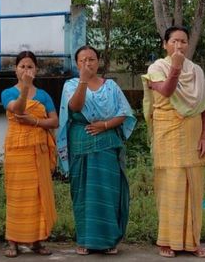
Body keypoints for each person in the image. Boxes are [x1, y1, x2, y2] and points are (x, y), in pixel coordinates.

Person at [142, 27, 205, 258]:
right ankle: (168, 241)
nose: (179, 45)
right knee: (171, 187)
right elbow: (166, 91)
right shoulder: (157, 67)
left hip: (193, 135)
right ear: (165, 44)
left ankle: (192, 242)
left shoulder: (196, 70)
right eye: (174, 41)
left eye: (183, 41)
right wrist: (175, 68)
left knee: (194, 188)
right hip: (168, 134)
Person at [59, 45, 136, 255]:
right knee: (84, 193)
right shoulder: (71, 85)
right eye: (83, 60)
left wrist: (104, 125)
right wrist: (83, 81)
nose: (87, 63)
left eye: (91, 59)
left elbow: (124, 112)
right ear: (77, 64)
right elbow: (75, 107)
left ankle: (109, 241)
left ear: (98, 61)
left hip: (107, 143)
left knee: (108, 192)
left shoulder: (110, 86)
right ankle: (85, 240)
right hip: (80, 144)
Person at [0, 51, 59, 258]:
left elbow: (54, 121)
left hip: (38, 151)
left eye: (30, 67)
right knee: (17, 195)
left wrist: (35, 121)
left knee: (38, 195)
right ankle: (12, 241)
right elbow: (17, 110)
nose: (26, 70)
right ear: (15, 70)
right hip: (17, 152)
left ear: (37, 70)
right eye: (22, 66)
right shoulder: (8, 92)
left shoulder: (43, 95)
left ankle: (38, 241)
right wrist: (25, 88)